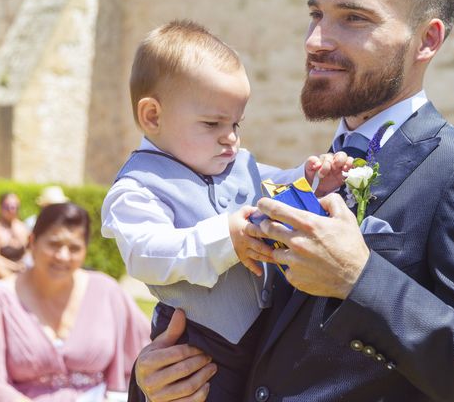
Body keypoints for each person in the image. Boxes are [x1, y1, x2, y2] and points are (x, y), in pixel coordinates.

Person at [131, 0, 454, 401]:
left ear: (426, 40)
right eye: (316, 14)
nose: (315, 40)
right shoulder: (285, 182)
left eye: (353, 18)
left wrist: (360, 279)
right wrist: (155, 381)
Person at [101, 21, 350, 402]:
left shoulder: (236, 163)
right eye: (212, 123)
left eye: (235, 123)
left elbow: (273, 186)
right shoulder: (137, 187)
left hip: (263, 336)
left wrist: (313, 178)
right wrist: (225, 238)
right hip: (200, 344)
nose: (230, 137)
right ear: (152, 117)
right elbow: (146, 253)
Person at [0, 202, 150, 400]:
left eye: (74, 248)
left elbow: (147, 351)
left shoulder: (107, 292)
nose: (63, 256)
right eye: (54, 244)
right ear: (32, 242)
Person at [0, 192, 30, 282]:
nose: (12, 210)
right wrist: (14, 266)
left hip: (21, 268)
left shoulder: (21, 227)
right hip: (2, 269)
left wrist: (23, 264)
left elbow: (29, 250)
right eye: (7, 206)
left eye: (15, 206)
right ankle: (14, 286)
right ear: (0, 207)